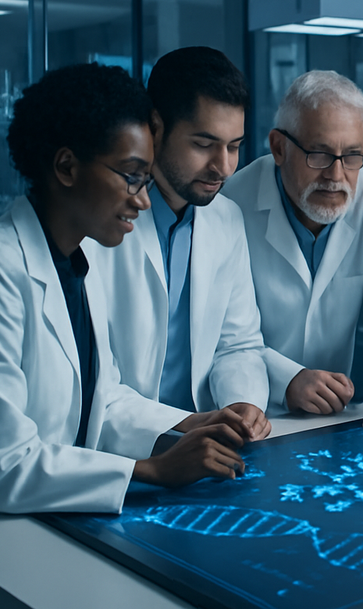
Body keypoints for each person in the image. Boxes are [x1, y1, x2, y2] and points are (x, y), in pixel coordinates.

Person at [0, 63, 250, 514]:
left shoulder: (77, 263)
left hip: (42, 517)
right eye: (132, 176)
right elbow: (2, 464)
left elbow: (104, 400)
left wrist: (191, 423)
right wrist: (149, 471)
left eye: (147, 179)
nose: (144, 199)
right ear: (67, 166)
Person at [223, 70, 363, 445]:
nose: (337, 175)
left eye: (353, 155)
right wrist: (286, 379)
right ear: (278, 148)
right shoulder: (229, 203)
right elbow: (222, 335)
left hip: (332, 424)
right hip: (248, 414)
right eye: (319, 154)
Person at [83, 47, 270, 440]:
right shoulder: (98, 226)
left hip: (205, 444)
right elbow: (96, 382)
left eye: (234, 146)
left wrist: (244, 404)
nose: (223, 166)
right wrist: (181, 427)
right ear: (155, 128)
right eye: (204, 144)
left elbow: (238, 344)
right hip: (124, 450)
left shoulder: (227, 219)